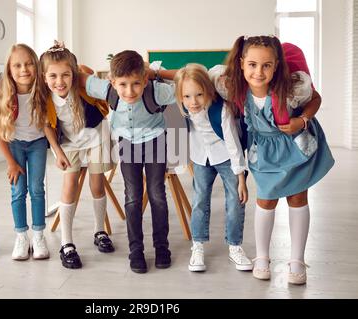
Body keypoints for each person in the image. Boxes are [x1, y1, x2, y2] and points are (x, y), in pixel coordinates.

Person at [219, 36, 335, 284]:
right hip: (264, 152)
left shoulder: (293, 88)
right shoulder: (233, 88)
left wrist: (302, 120)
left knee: (297, 197)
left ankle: (297, 261)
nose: (258, 72)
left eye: (266, 65)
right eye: (252, 64)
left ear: (276, 66)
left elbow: (316, 98)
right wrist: (156, 73)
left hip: (294, 148)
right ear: (241, 63)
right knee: (266, 200)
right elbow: (196, 75)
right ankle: (262, 258)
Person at [80, 50, 176, 273]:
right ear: (112, 82)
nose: (129, 91)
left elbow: (188, 79)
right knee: (132, 197)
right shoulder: (106, 89)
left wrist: (156, 72)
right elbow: (80, 76)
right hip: (128, 144)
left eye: (136, 84)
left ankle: (162, 248)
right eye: (122, 84)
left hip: (154, 141)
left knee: (157, 194)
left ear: (144, 80)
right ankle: (136, 250)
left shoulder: (158, 91)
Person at [40, 41, 115, 269]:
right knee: (69, 184)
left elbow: (90, 73)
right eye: (52, 76)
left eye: (65, 75)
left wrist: (81, 70)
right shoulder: (45, 98)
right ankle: (66, 242)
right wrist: (57, 151)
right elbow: (47, 126)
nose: (59, 81)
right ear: (44, 77)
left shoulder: (83, 86)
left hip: (96, 137)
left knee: (97, 184)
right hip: (69, 144)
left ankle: (99, 230)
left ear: (74, 74)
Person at [173, 63, 252, 272]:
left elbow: (233, 143)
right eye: (187, 96)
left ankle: (235, 247)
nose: (193, 102)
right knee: (199, 201)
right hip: (201, 158)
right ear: (180, 96)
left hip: (227, 156)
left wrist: (241, 176)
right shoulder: (182, 110)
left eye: (199, 94)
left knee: (236, 200)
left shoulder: (221, 109)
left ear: (208, 90)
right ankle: (197, 246)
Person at [0, 44, 52, 261]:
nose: (24, 69)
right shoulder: (3, 93)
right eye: (17, 65)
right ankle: (21, 237)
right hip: (15, 145)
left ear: (36, 66)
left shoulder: (42, 90)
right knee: (18, 191)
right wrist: (10, 163)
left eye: (28, 64)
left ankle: (38, 235)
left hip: (37, 143)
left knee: (36, 189)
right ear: (9, 69)